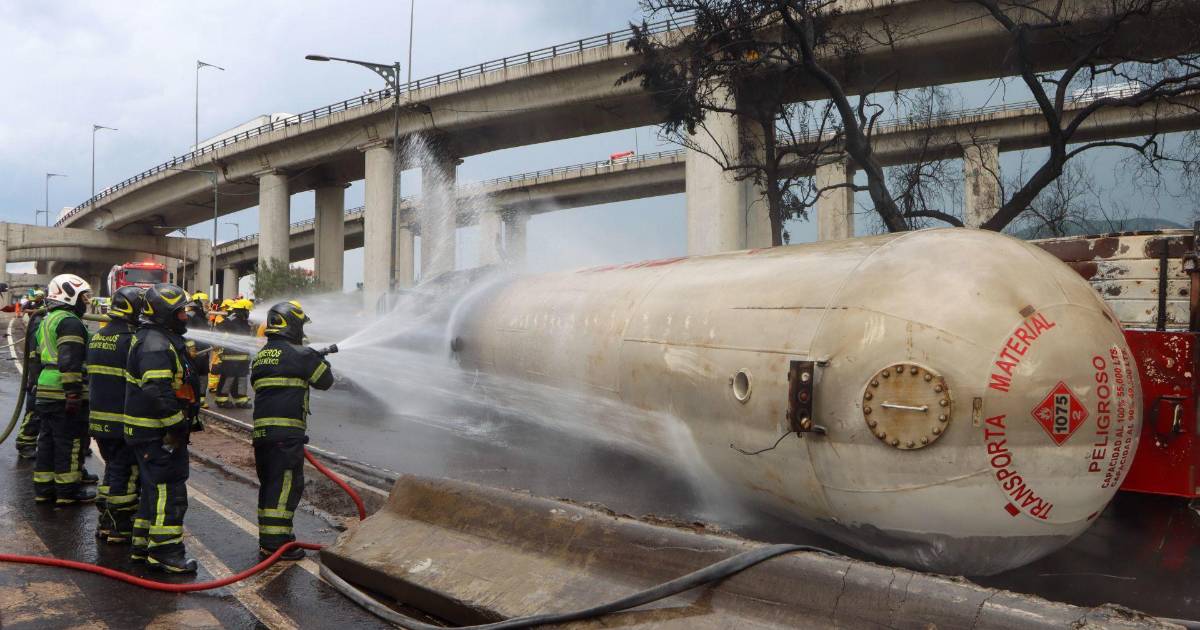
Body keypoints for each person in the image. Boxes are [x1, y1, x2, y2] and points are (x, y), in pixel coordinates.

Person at [124, 283, 201, 573]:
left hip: (150, 433)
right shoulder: (156, 343)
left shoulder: (156, 338)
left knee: (153, 493)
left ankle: (143, 546)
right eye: (181, 312)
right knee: (170, 494)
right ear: (166, 314)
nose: (186, 317)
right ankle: (167, 553)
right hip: (158, 434)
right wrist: (176, 426)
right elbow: (157, 390)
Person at [250, 300, 333, 560]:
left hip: (263, 435)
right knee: (286, 486)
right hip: (286, 436)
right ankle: (277, 544)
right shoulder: (302, 355)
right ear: (292, 325)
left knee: (271, 486)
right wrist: (316, 357)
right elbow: (325, 381)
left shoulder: (262, 355)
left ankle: (271, 539)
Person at [31, 275, 96, 505]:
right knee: (69, 442)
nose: (85, 302)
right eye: (83, 297)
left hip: (47, 387)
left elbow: (38, 358)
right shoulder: (70, 322)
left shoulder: (48, 319)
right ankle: (67, 491)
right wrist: (73, 393)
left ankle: (44, 488)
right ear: (69, 295)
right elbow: (70, 359)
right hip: (62, 390)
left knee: (47, 440)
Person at [86, 286, 143, 543]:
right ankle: (120, 526)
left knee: (113, 470)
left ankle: (106, 522)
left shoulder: (98, 336)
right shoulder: (131, 340)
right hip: (123, 421)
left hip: (99, 419)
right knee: (126, 473)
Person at [14, 289, 47, 459]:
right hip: (38, 376)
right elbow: (35, 354)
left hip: (42, 376)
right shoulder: (40, 320)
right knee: (34, 411)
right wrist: (34, 380)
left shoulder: (44, 316)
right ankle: (25, 443)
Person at [214, 298, 253, 409]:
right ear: (243, 310)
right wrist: (222, 340)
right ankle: (221, 399)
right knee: (228, 378)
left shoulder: (245, 322)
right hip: (230, 356)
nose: (249, 313)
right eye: (248, 311)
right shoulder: (230, 320)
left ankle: (241, 400)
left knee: (242, 378)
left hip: (243, 356)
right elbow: (217, 331)